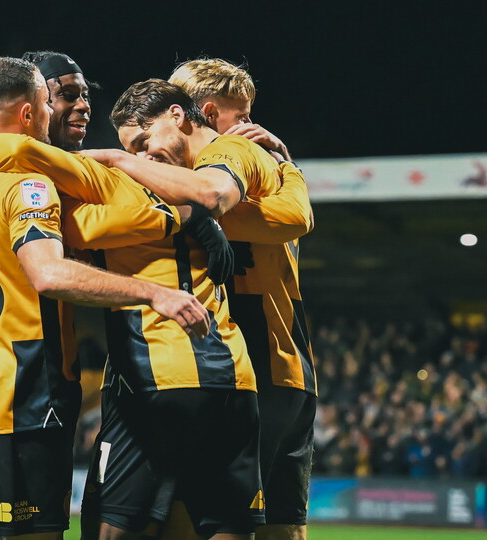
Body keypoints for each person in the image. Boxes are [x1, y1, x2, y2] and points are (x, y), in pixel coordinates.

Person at [0, 97, 267, 540]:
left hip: (141, 383)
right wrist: (190, 217)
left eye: (144, 142)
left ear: (176, 115)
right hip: (232, 378)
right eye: (134, 148)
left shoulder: (112, 181)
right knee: (225, 525)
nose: (143, 156)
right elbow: (294, 217)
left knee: (104, 528)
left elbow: (65, 215)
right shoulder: (231, 174)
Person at [168, 59, 317, 540]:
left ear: (200, 114)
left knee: (197, 522)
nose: (252, 128)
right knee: (283, 525)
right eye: (245, 115)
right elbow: (295, 217)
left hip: (245, 371)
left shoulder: (218, 172)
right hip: (293, 370)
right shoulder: (277, 174)